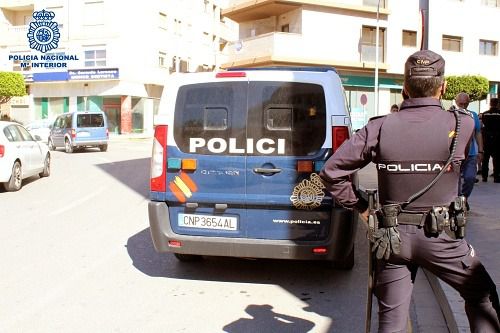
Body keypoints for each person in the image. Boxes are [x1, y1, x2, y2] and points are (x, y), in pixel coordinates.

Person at [319, 50, 500, 332]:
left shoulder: (379, 126)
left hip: (393, 241)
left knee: (391, 322)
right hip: (443, 240)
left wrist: (362, 207)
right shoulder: (462, 124)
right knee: (482, 296)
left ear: (404, 87)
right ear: (444, 87)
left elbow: (331, 172)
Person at [454, 92, 483, 210]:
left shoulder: (473, 115)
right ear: (456, 102)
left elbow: (478, 133)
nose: (463, 106)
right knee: (454, 181)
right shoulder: (451, 115)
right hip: (455, 154)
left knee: (470, 178)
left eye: (465, 104)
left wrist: (481, 151)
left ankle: (464, 198)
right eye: (461, 104)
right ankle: (457, 201)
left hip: (471, 154)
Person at [481, 97, 500, 182]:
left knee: (485, 159)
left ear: (490, 104)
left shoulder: (485, 114)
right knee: (496, 159)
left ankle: (484, 176)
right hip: (497, 139)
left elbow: (483, 125)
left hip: (487, 139)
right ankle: (496, 177)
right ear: (497, 104)